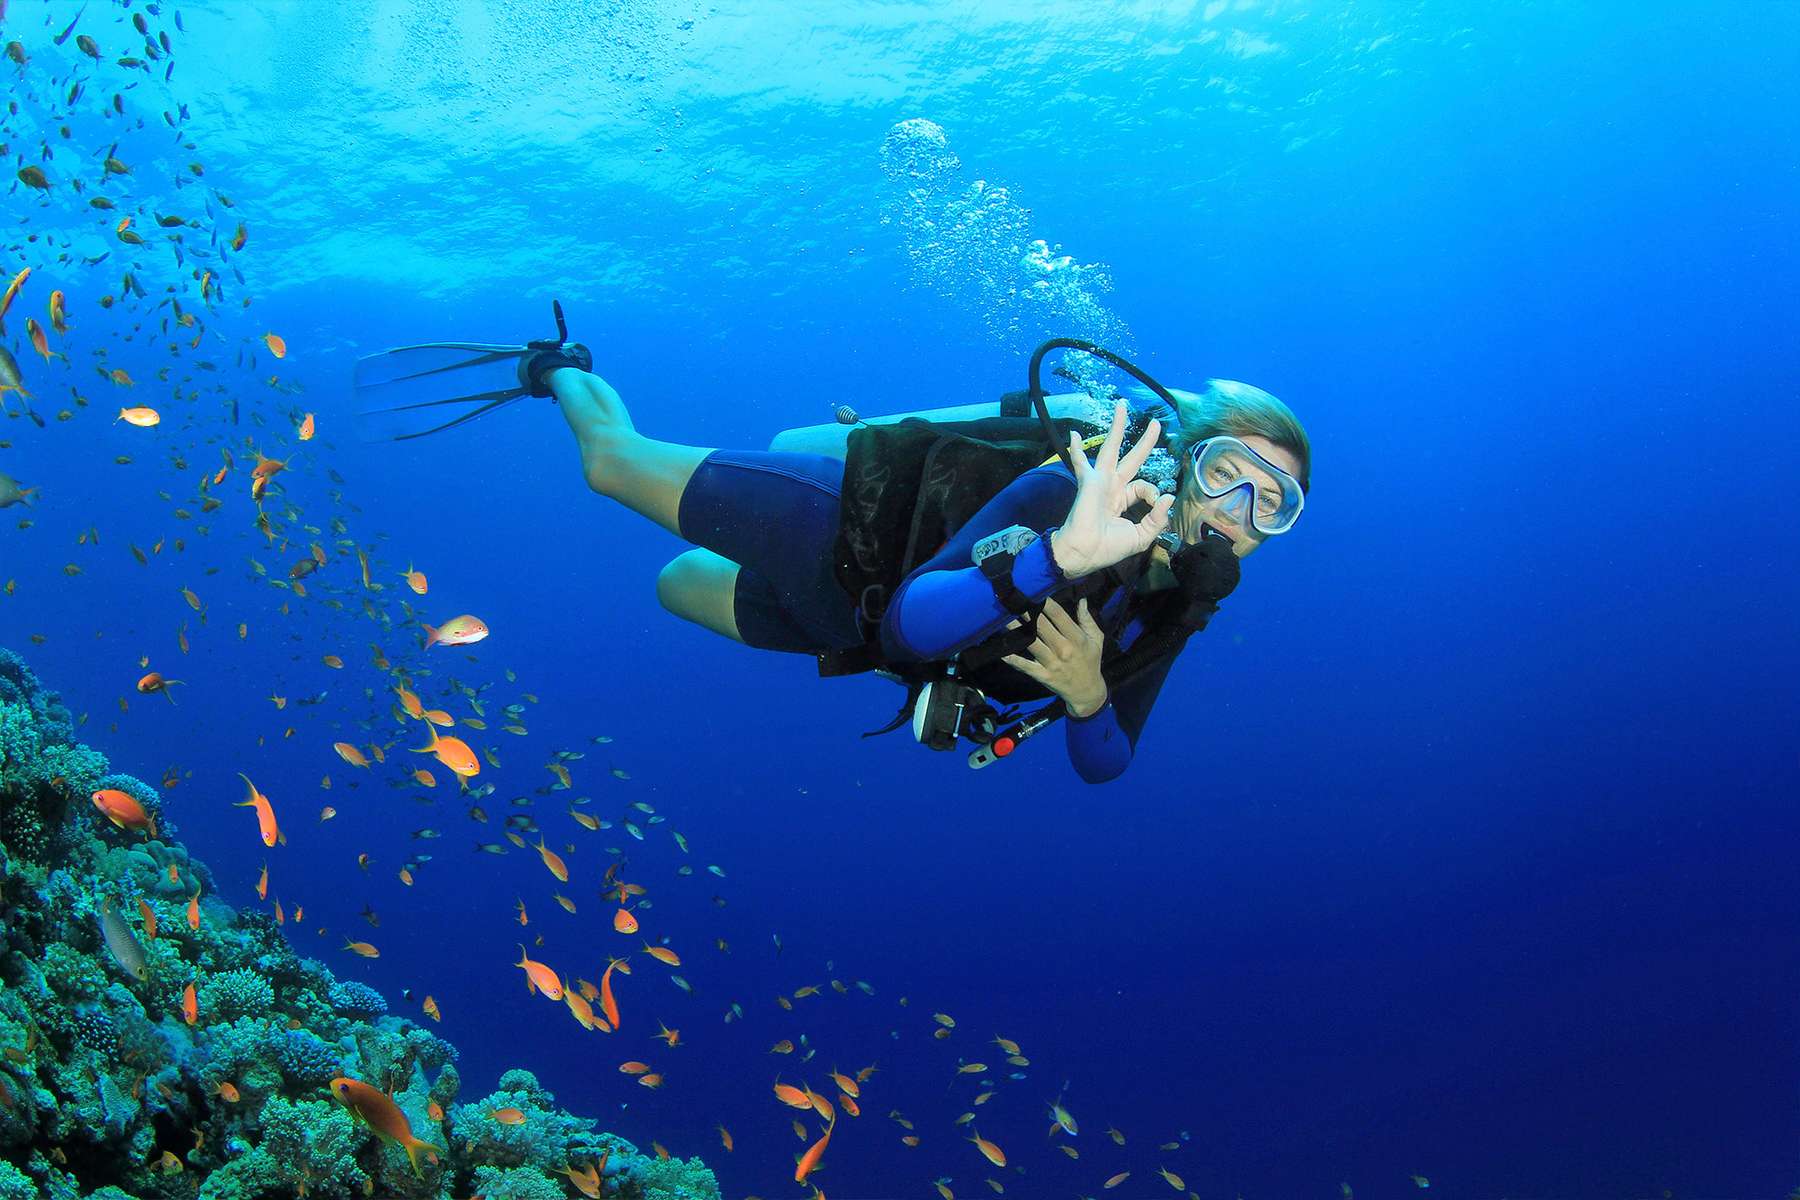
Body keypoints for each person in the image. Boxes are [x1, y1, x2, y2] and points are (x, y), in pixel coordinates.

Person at [536, 357, 1311, 783]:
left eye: (1272, 503)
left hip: (845, 626)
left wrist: (1088, 696)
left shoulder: (1173, 605)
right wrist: (1059, 556)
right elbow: (912, 620)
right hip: (848, 533)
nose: (1237, 511)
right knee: (611, 464)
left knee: (673, 584)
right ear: (1186, 462)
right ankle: (556, 367)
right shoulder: (1073, 490)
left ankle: (736, 514)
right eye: (1226, 473)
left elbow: (1107, 763)